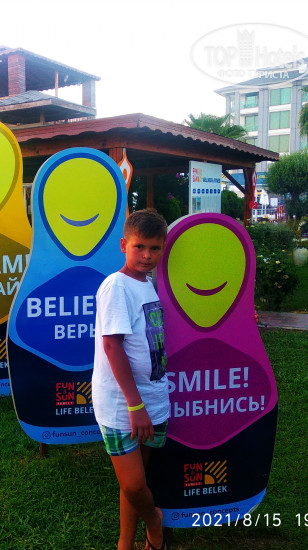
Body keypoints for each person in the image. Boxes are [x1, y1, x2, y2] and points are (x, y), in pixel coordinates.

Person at [92, 209, 170, 550]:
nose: (147, 255)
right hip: (123, 405)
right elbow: (112, 345)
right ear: (124, 245)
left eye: (155, 248)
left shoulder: (147, 284)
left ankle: (125, 543)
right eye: (139, 247)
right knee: (135, 485)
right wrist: (135, 405)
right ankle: (155, 522)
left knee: (135, 481)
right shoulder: (117, 285)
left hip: (153, 399)